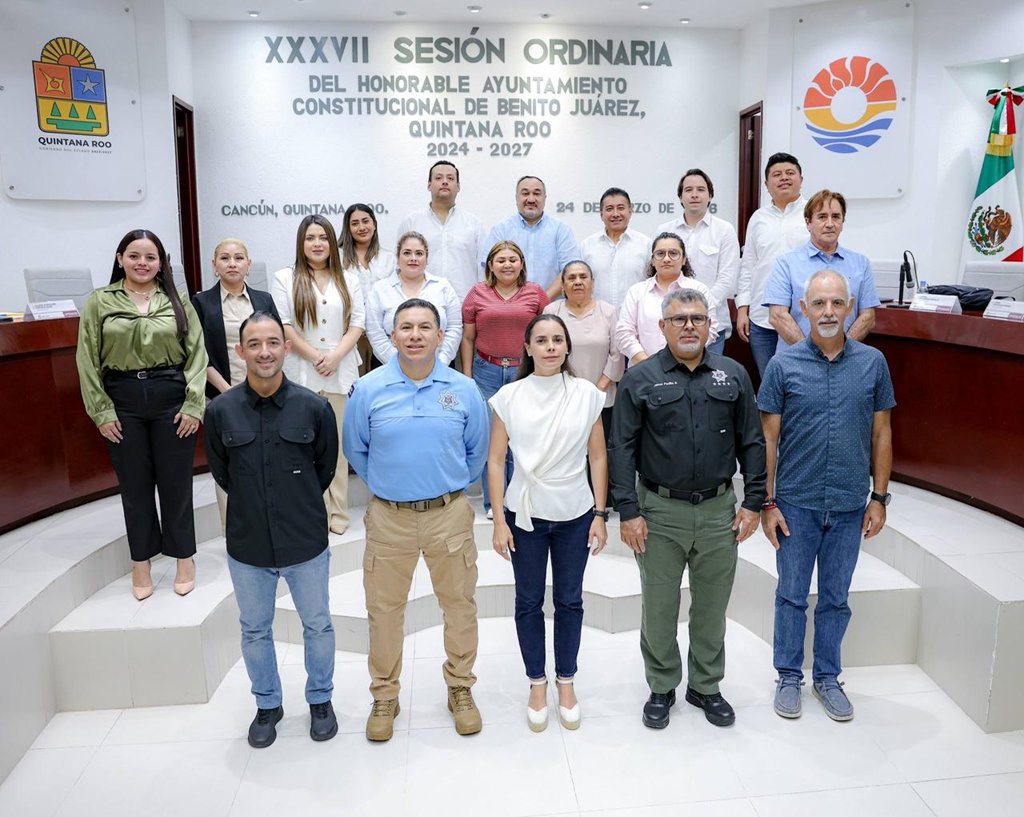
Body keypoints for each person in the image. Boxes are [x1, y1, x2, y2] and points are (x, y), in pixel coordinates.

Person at [610, 289, 766, 730]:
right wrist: (628, 511)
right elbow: (620, 447)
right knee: (659, 607)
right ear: (662, 327)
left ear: (710, 326)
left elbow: (752, 440)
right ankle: (662, 686)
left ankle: (705, 686)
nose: (689, 326)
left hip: (719, 511)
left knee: (712, 607)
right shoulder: (640, 379)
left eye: (697, 318)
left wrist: (754, 501)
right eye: (679, 319)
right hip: (659, 512)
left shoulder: (733, 375)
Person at [343, 299, 489, 742]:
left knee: (459, 606)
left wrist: (446, 487)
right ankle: (385, 695)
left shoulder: (464, 389)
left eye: (425, 327)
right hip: (390, 519)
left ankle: (460, 688)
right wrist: (390, 486)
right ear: (392, 336)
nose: (415, 335)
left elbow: (476, 451)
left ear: (440, 336)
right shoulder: (368, 389)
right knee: (384, 612)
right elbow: (356, 449)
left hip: (449, 516)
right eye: (405, 327)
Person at [758, 270, 895, 723]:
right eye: (819, 303)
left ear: (850, 306)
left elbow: (882, 432)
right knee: (792, 596)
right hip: (795, 504)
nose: (829, 312)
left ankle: (827, 677)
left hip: (850, 503)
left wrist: (879, 497)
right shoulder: (783, 366)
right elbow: (768, 440)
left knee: (836, 598)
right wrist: (767, 502)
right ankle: (788, 676)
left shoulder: (873, 363)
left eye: (837, 303)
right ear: (804, 309)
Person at [203, 311, 339, 748]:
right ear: (240, 351)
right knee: (254, 630)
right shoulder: (220, 411)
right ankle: (267, 704)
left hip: (305, 541)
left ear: (286, 348)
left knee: (317, 625)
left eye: (273, 343)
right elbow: (222, 473)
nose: (264, 352)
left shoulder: (313, 407)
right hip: (249, 544)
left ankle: (320, 699)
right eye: (254, 344)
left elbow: (325, 467)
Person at [488, 314, 609, 732]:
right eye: (541, 340)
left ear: (567, 346)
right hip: (525, 515)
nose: (551, 347)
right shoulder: (509, 396)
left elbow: (598, 456)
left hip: (575, 513)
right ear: (527, 347)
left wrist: (600, 514)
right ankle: (537, 683)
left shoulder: (586, 394)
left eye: (558, 339)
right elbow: (495, 460)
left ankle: (566, 681)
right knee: (528, 601)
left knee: (570, 600)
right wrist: (499, 520)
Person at [76, 229, 207, 600]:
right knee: (135, 488)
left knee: (176, 484)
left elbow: (197, 354)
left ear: (161, 263)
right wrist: (101, 411)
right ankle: (141, 562)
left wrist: (193, 404)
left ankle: (184, 557)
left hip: (171, 397)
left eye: (151, 257)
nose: (142, 263)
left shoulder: (177, 299)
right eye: (134, 256)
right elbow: (86, 358)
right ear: (120, 259)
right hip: (123, 400)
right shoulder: (100, 300)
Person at [272, 214, 364, 536]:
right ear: (301, 242)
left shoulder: (348, 278)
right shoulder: (285, 278)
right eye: (310, 238)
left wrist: (335, 357)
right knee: (304, 445)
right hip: (302, 371)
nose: (317, 244)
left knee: (336, 445)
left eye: (323, 238)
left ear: (331, 242)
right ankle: (314, 511)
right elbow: (283, 325)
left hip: (340, 369)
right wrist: (315, 357)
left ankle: (338, 511)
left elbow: (358, 323)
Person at [192, 238, 280, 531]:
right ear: (214, 265)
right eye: (225, 258)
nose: (232, 264)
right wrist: (229, 393)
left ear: (248, 264)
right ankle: (235, 532)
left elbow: (276, 345)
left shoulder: (264, 300)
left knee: (268, 460)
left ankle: (268, 526)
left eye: (239, 258)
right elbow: (198, 354)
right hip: (223, 395)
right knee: (230, 464)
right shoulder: (201, 303)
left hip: (266, 393)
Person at [462, 241, 551, 518]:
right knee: (493, 437)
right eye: (501, 260)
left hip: (524, 371)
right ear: (490, 265)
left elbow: (545, 335)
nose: (507, 265)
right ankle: (495, 502)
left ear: (522, 264)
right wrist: (467, 377)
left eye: (513, 259)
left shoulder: (535, 293)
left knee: (523, 436)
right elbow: (468, 338)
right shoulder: (477, 293)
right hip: (486, 371)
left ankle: (519, 498)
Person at [544, 260, 623, 507]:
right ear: (563, 285)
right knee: (566, 451)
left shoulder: (608, 311)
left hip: (602, 395)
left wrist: (597, 389)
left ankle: (600, 504)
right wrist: (568, 389)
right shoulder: (552, 311)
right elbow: (546, 351)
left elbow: (617, 354)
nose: (577, 282)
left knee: (600, 451)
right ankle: (570, 504)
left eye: (583, 277)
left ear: (592, 283)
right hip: (561, 395)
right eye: (571, 278)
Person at [763, 190, 881, 352]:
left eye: (836, 217)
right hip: (796, 358)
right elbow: (777, 316)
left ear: (842, 222)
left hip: (844, 360)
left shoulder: (861, 264)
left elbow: (868, 317)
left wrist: (840, 352)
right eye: (822, 217)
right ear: (808, 223)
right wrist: (812, 354)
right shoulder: (786, 263)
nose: (830, 224)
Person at [736, 152, 808, 376]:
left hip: (802, 317)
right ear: (767, 184)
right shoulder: (758, 218)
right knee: (769, 380)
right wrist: (743, 309)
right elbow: (748, 266)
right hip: (762, 318)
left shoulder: (814, 214)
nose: (784, 178)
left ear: (801, 179)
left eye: (790, 173)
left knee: (804, 379)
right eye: (777, 174)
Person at [656, 169, 740, 355]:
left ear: (710, 195)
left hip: (711, 324)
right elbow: (658, 275)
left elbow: (727, 278)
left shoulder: (724, 230)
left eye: (701, 189)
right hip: (672, 324)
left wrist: (700, 310)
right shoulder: (664, 230)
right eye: (688, 190)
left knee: (707, 374)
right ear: (680, 196)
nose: (694, 194)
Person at [614, 232, 719, 365]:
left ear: (684, 259)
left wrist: (683, 359)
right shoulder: (636, 292)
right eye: (660, 254)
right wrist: (648, 365)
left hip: (689, 368)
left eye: (673, 253)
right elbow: (624, 332)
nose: (666, 259)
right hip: (644, 369)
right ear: (653, 260)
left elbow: (711, 328)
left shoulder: (699, 290)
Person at [365, 231, 462, 366]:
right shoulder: (380, 289)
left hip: (439, 366)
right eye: (407, 253)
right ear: (398, 257)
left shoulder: (443, 286)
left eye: (419, 253)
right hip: (390, 366)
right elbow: (375, 333)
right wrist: (401, 365)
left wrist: (441, 362)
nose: (413, 258)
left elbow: (454, 328)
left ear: (427, 259)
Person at [396, 161, 487, 302]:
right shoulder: (411, 222)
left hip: (465, 303)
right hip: (421, 303)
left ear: (458, 186)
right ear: (429, 185)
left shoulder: (474, 224)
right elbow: (399, 266)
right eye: (438, 178)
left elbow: (483, 269)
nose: (445, 182)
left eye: (450, 178)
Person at [482, 175, 579, 300]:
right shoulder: (501, 230)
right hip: (509, 306)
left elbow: (570, 270)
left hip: (552, 306)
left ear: (545, 198)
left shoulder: (561, 230)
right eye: (525, 193)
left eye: (537, 194)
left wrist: (542, 301)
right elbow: (490, 270)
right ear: (516, 198)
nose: (531, 199)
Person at [340, 203, 396, 375]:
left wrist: (373, 322)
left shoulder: (389, 258)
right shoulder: (337, 257)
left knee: (381, 376)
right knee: (354, 377)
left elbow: (394, 294)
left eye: (365, 221)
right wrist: (359, 323)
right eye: (355, 223)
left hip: (383, 330)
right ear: (348, 228)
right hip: (348, 329)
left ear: (374, 224)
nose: (361, 227)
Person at [579, 187, 652, 309]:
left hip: (636, 316)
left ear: (630, 211)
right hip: (597, 316)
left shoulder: (646, 244)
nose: (616, 214)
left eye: (621, 208)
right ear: (601, 214)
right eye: (609, 209)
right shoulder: (587, 246)